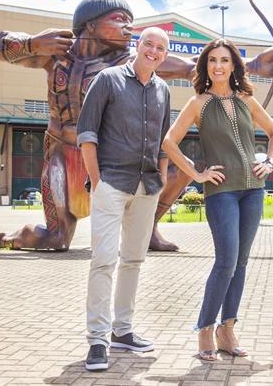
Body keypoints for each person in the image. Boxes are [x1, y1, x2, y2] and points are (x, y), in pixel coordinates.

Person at [0, 0, 273, 252]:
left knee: (183, 168)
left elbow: (190, 68)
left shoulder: (129, 64)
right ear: (90, 24)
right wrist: (30, 45)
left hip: (111, 160)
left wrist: (251, 64)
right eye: (118, 19)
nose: (127, 26)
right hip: (62, 157)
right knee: (55, 239)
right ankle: (14, 237)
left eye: (129, 21)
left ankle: (146, 232)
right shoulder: (56, 52)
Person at [162, 38, 273, 361]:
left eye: (224, 60)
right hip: (221, 192)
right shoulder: (197, 103)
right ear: (206, 66)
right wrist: (196, 174)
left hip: (253, 191)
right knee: (226, 261)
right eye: (212, 60)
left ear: (233, 66)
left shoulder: (247, 99)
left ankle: (227, 329)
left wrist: (269, 162)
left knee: (241, 263)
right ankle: (205, 329)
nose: (218, 66)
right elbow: (169, 142)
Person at [77, 27, 171, 371]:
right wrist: (97, 182)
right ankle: (98, 339)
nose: (154, 51)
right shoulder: (108, 79)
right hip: (111, 184)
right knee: (103, 260)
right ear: (138, 45)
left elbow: (164, 139)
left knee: (133, 260)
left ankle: (123, 330)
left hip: (147, 187)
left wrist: (160, 179)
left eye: (161, 47)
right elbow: (87, 134)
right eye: (149, 43)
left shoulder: (162, 89)